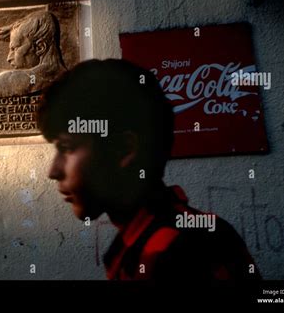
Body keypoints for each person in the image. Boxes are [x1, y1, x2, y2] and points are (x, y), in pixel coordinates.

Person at [37, 59, 261, 281]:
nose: (53, 171)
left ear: (124, 149)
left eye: (66, 147)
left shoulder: (168, 251)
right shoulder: (157, 235)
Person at [0, 10, 66, 99]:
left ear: (40, 47)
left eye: (14, 49)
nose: (8, 58)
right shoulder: (72, 79)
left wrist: (0, 81)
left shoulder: (1, 84)